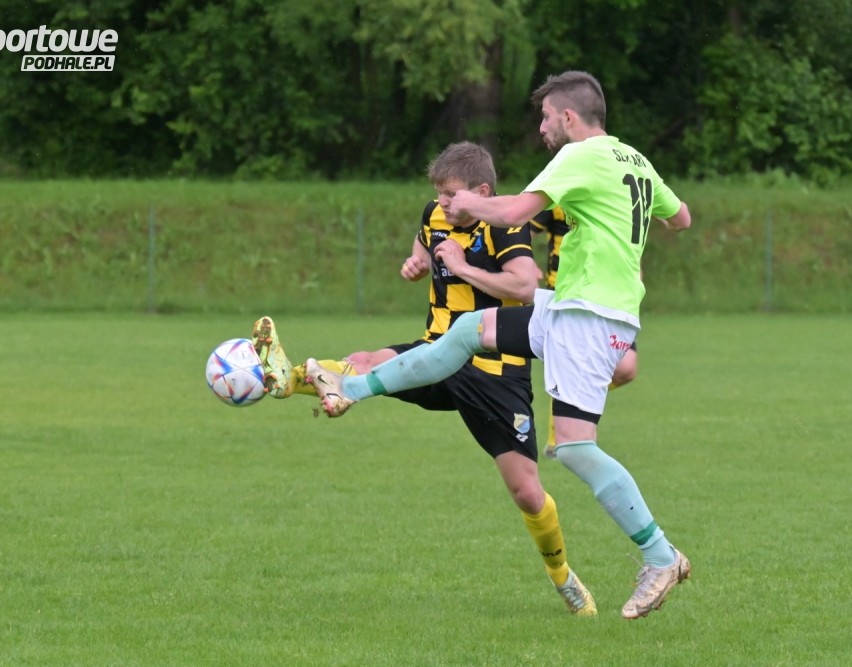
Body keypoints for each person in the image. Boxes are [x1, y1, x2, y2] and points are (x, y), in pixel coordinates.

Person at [304, 71, 693, 619]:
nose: (542, 127)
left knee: (576, 449)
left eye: (546, 117)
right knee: (469, 331)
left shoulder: (580, 156)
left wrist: (469, 205)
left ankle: (660, 556)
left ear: (569, 116)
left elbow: (512, 213)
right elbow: (681, 218)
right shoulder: (636, 161)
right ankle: (351, 389)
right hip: (574, 305)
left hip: (589, 315)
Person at [253, 141, 597, 616]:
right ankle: (288, 379)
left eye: (451, 195)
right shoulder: (435, 214)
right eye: (438, 194)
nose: (442, 203)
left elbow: (524, 285)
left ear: (482, 192)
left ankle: (563, 578)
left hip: (494, 370)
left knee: (526, 491)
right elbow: (424, 246)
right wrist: (416, 263)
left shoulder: (506, 225)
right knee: (365, 359)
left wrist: (460, 266)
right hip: (436, 352)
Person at [529, 207, 638, 455]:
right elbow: (522, 232)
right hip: (568, 296)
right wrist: (526, 263)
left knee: (627, 368)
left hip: (613, 297)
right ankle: (561, 439)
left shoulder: (620, 199)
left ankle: (577, 402)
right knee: (572, 367)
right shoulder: (559, 198)